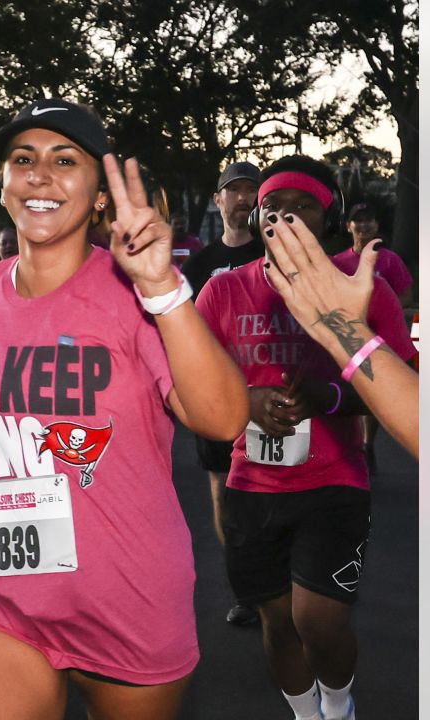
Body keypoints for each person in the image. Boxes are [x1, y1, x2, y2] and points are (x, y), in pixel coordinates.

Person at [0, 98, 248, 720]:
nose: (40, 174)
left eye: (65, 159)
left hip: (127, 594)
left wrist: (163, 290)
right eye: (23, 159)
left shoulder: (135, 293)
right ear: (2, 186)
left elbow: (221, 420)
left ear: (101, 196)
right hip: (0, 594)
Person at [194, 155, 417, 720]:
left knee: (319, 619)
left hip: (335, 477)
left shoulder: (364, 289)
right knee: (276, 623)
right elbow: (189, 387)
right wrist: (245, 402)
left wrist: (328, 398)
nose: (285, 219)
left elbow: (403, 392)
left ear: (329, 218)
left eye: (304, 207)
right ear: (256, 217)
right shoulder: (222, 294)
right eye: (273, 207)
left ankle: (338, 706)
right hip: (252, 483)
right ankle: (303, 712)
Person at [180, 160, 265, 627]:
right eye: (233, 191)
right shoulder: (199, 266)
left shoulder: (277, 255)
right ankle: (246, 588)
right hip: (216, 393)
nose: (242, 198)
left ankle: (281, 580)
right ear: (218, 200)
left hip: (270, 390)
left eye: (251, 190)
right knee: (223, 493)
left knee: (274, 492)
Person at [331, 202, 414, 470]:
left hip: (379, 341)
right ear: (348, 226)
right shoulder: (338, 262)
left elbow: (405, 295)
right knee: (348, 391)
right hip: (347, 337)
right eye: (358, 221)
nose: (364, 225)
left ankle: (367, 444)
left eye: (369, 221)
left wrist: (382, 310)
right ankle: (352, 446)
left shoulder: (389, 260)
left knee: (373, 393)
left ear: (377, 226)